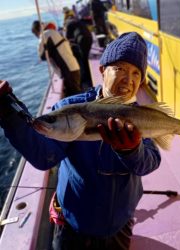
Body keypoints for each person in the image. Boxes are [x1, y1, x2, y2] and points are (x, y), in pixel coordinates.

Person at [0, 32, 161, 250]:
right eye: (120, 68)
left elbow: (150, 162)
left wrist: (133, 150)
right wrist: (9, 113)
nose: (128, 79)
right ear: (102, 70)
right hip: (73, 226)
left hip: (120, 224)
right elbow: (44, 155)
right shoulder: (69, 109)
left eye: (135, 73)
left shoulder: (140, 117)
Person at [31, 20, 82, 97]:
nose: (36, 36)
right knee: (76, 93)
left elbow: (42, 56)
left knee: (76, 96)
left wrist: (41, 38)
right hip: (73, 67)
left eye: (35, 34)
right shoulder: (53, 32)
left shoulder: (45, 34)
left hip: (68, 70)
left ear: (36, 30)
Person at [64, 11, 93, 90]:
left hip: (82, 39)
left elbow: (67, 38)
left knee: (84, 59)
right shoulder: (77, 21)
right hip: (89, 37)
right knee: (85, 56)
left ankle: (88, 78)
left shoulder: (68, 24)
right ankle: (88, 75)